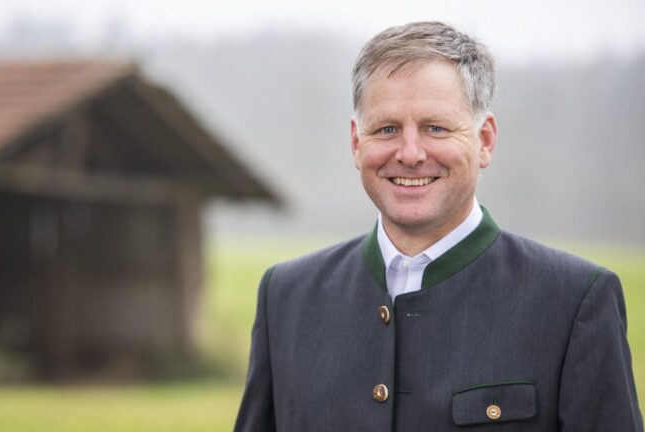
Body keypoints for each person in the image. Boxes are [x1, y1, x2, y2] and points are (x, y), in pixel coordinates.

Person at [234, 21, 643, 431]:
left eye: (436, 128)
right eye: (387, 129)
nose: (410, 154)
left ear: (484, 141)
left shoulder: (574, 301)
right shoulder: (285, 298)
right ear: (357, 143)